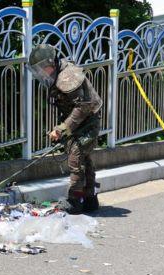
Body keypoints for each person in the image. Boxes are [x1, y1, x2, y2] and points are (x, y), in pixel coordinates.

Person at [28, 44, 102, 214]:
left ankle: (75, 200)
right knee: (85, 159)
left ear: (50, 65)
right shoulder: (58, 72)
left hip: (87, 121)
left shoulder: (67, 77)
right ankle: (90, 199)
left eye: (41, 69)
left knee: (76, 160)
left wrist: (61, 129)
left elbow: (82, 107)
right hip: (82, 121)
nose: (41, 73)